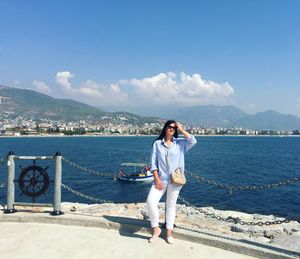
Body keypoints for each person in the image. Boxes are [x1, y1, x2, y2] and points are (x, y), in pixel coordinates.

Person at [146, 120, 197, 244]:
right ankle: (156, 228)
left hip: (175, 180)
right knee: (150, 201)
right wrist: (157, 179)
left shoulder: (180, 143)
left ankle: (169, 233)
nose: (172, 129)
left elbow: (193, 140)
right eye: (170, 127)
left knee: (171, 206)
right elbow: (153, 164)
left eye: (174, 128)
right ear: (165, 128)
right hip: (161, 180)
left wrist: (181, 129)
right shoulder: (157, 144)